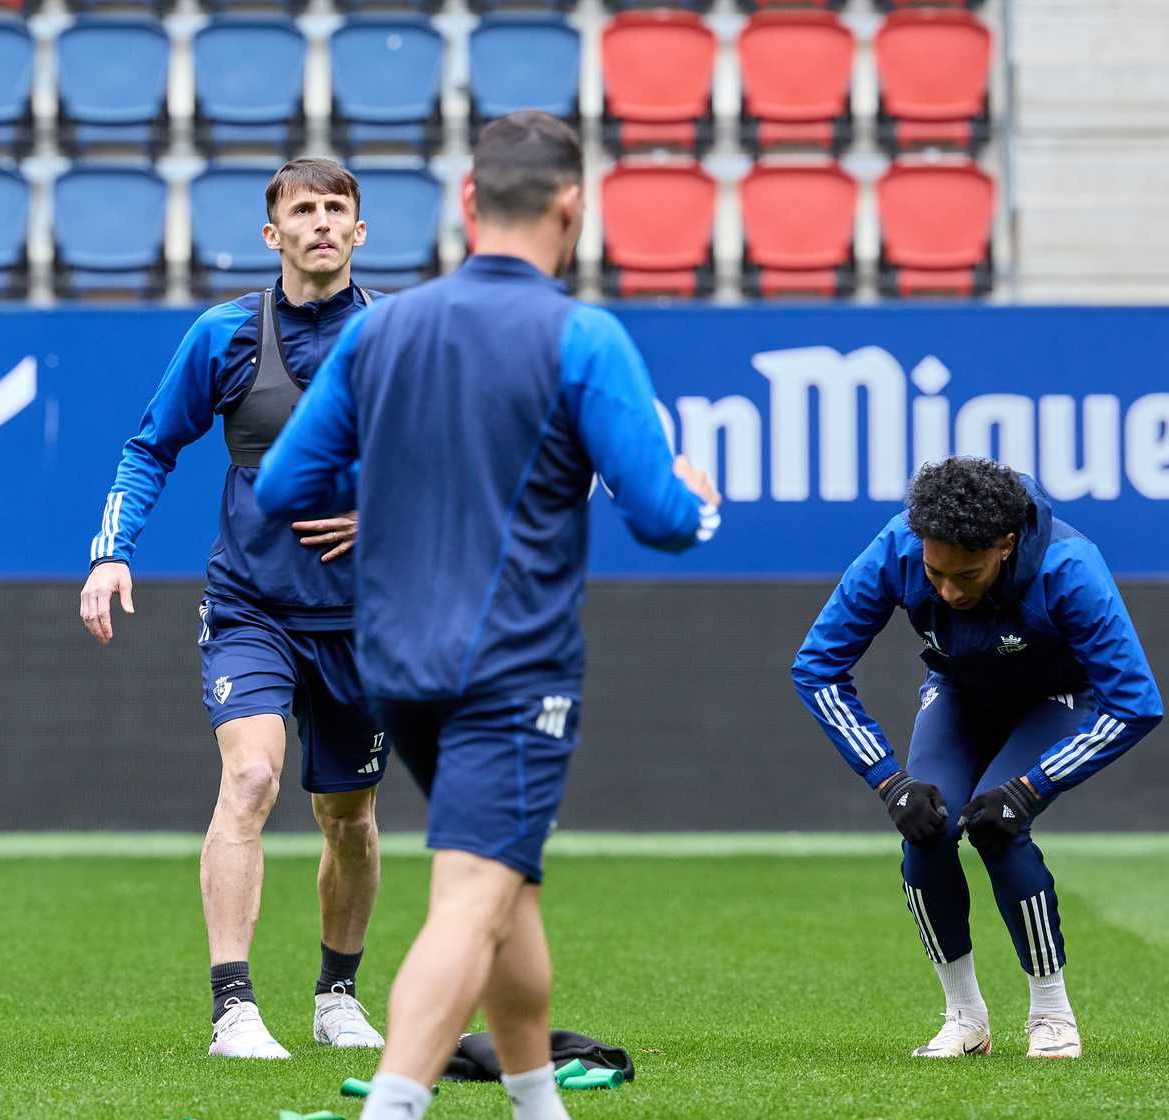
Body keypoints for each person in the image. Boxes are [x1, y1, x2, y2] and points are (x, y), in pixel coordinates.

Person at [254, 110, 720, 1120]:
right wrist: (698, 498)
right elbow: (662, 519)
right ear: (573, 207)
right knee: (474, 894)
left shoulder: (381, 329)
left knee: (511, 885)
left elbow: (284, 482)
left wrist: (387, 490)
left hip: (394, 666)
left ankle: (536, 1099)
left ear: (468, 201)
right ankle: (393, 1106)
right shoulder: (582, 335)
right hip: (509, 672)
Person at [81, 158, 388, 1059]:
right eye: (304, 209)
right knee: (251, 779)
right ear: (273, 233)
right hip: (252, 607)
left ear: (359, 231)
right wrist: (111, 553)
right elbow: (149, 448)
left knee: (349, 820)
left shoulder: (396, 338)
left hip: (362, 622)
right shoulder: (225, 334)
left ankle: (337, 998)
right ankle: (234, 1009)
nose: (321, 222)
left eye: (336, 209)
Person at [792, 456, 1161, 1061]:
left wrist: (1030, 788)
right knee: (926, 829)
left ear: (1006, 545)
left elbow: (1135, 703)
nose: (947, 591)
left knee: (998, 828)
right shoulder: (900, 545)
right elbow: (816, 667)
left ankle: (1051, 1014)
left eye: (967, 574)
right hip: (958, 694)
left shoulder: (1070, 567)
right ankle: (964, 1019)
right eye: (935, 573)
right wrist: (889, 781)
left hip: (1054, 700)